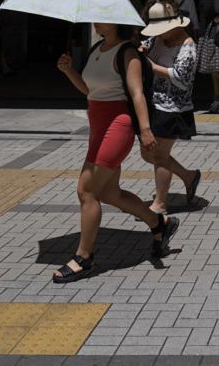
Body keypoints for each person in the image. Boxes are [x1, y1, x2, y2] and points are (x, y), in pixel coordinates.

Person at [52, 22, 179, 282]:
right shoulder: (97, 48)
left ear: (117, 23)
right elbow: (91, 91)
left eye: (103, 17)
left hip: (117, 126)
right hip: (97, 124)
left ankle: (84, 258)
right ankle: (159, 224)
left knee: (86, 191)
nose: (96, 21)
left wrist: (145, 129)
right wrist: (69, 71)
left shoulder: (127, 52)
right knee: (109, 192)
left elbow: (137, 93)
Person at [139, 0, 202, 214]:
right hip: (152, 104)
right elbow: (142, 50)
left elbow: (182, 78)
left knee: (159, 156)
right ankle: (188, 176)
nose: (160, 33)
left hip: (173, 108)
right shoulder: (156, 38)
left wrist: (151, 66)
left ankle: (160, 204)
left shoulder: (188, 45)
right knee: (147, 153)